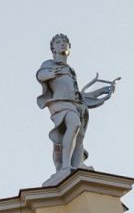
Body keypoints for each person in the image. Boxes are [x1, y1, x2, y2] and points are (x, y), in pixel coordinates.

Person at [36, 33, 117, 182]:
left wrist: (101, 91)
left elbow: (78, 95)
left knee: (79, 136)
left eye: (65, 42)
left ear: (69, 48)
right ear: (53, 48)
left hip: (76, 105)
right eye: (58, 42)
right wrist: (53, 73)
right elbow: (41, 75)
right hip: (61, 104)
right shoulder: (50, 64)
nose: (62, 44)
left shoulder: (71, 70)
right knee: (74, 124)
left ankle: (76, 164)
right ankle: (65, 167)